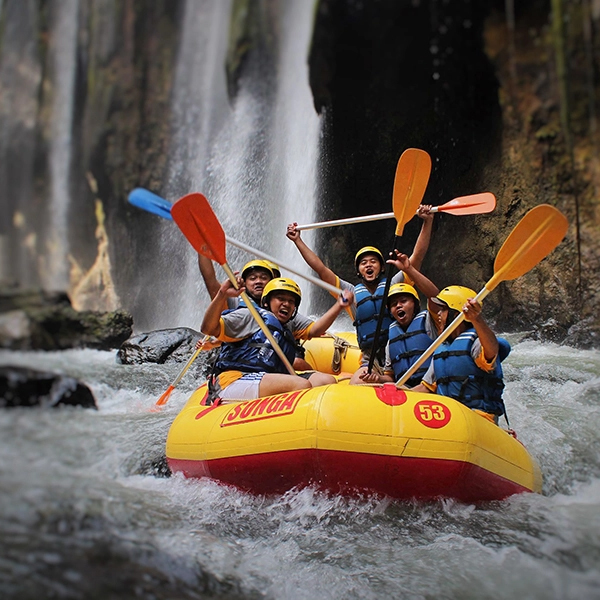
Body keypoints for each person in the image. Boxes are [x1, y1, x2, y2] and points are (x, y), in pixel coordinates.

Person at [286, 206, 434, 370]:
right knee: (358, 380)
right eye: (363, 263)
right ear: (359, 271)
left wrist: (427, 222)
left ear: (382, 268)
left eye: (373, 261)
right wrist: (298, 241)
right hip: (369, 359)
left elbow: (417, 257)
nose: (368, 265)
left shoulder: (394, 285)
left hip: (396, 351)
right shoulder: (350, 293)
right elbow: (321, 269)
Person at [201, 276, 353, 401]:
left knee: (326, 381)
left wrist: (339, 305)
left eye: (291, 301)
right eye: (280, 299)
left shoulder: (288, 325)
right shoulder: (250, 315)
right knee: (300, 385)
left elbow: (316, 330)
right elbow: (208, 328)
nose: (286, 304)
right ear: (266, 302)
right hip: (234, 379)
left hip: (266, 378)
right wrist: (222, 294)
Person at [411, 286, 511, 424]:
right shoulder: (442, 349)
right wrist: (395, 391)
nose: (438, 314)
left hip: (480, 420)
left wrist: (476, 319)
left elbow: (491, 351)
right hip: (450, 419)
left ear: (455, 314)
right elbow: (426, 388)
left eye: (443, 309)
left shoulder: (476, 342)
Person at [197, 255, 313, 369]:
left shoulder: (284, 310)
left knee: (298, 362)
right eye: (253, 278)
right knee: (296, 362)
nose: (259, 282)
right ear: (245, 282)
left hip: (276, 355)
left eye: (264, 278)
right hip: (248, 360)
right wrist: (203, 250)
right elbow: (210, 281)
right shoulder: (235, 300)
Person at [351, 250, 439, 386]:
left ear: (415, 304)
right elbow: (390, 378)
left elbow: (435, 297)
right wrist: (378, 379)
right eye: (393, 304)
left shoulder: (429, 321)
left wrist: (409, 269)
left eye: (403, 301)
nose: (398, 306)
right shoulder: (391, 338)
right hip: (405, 387)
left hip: (428, 385)